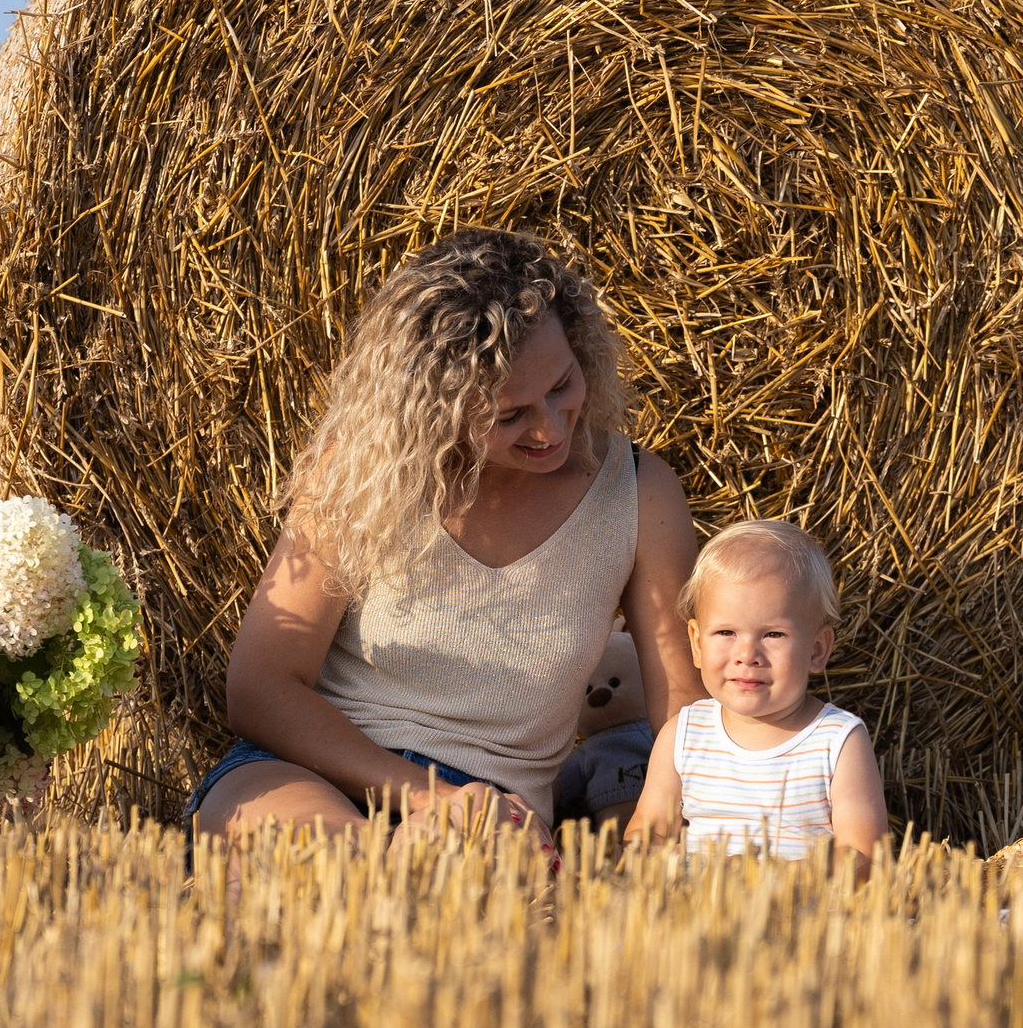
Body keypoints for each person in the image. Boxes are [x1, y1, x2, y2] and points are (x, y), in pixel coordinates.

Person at [187, 229, 699, 844]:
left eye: (562, 384)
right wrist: (434, 797)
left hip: (493, 815)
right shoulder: (362, 470)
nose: (549, 427)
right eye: (509, 415)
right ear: (438, 407)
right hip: (309, 772)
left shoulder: (639, 494)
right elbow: (260, 688)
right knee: (322, 859)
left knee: (438, 874)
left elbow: (684, 710)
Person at [629, 520, 890, 875]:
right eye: (726, 632)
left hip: (803, 915)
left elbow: (865, 858)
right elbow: (644, 839)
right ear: (697, 643)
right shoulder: (684, 734)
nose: (747, 654)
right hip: (694, 914)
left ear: (816, 650)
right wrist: (676, 865)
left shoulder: (837, 740)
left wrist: (773, 877)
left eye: (773, 634)